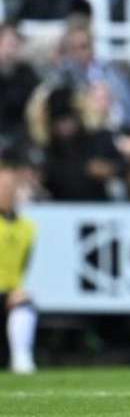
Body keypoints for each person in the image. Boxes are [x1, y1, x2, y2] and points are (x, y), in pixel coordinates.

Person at [0, 158, 37, 374]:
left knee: (24, 301)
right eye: (2, 187)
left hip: (9, 295)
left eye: (10, 187)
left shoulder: (27, 227)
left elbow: (23, 264)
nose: (6, 192)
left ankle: (21, 358)